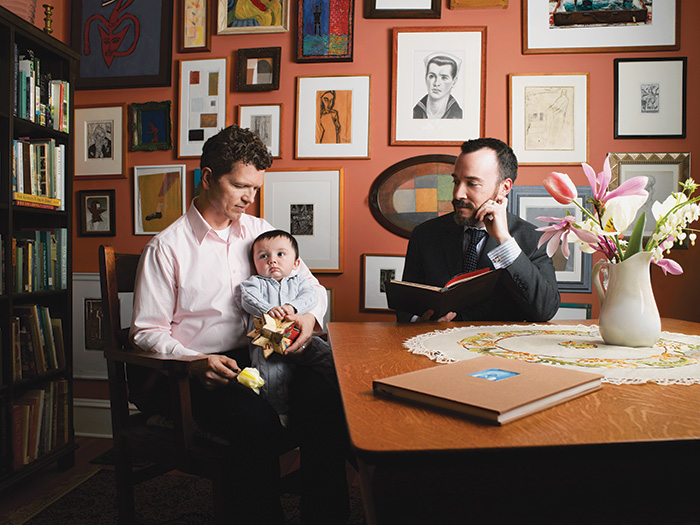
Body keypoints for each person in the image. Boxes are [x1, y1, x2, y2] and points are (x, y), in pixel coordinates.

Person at [129, 125, 350, 524]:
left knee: (327, 398)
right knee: (256, 422)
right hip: (202, 370)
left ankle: (326, 518)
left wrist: (307, 317)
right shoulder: (166, 248)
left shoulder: (260, 232)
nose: (250, 197)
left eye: (256, 188)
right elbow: (146, 331)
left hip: (268, 355)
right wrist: (194, 362)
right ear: (208, 177)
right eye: (240, 186)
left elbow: (313, 288)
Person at [398, 137, 560, 323]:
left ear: (504, 188)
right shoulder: (425, 235)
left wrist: (505, 242)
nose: (458, 194)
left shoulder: (533, 239)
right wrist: (419, 322)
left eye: (472, 183)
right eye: (456, 182)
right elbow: (405, 307)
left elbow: (545, 310)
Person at [241, 229, 338, 427]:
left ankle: (343, 392)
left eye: (280, 254)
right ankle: (280, 414)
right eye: (263, 256)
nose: (272, 260)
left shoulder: (299, 280)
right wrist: (269, 310)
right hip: (269, 343)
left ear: (295, 263)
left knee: (328, 356)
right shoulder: (254, 283)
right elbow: (248, 300)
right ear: (254, 263)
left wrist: (293, 307)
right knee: (271, 377)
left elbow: (310, 297)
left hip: (301, 337)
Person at [413, 53, 463, 120]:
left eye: (444, 78)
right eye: (432, 76)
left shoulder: (458, 115)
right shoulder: (415, 112)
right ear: (425, 78)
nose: (436, 83)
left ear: (454, 82)